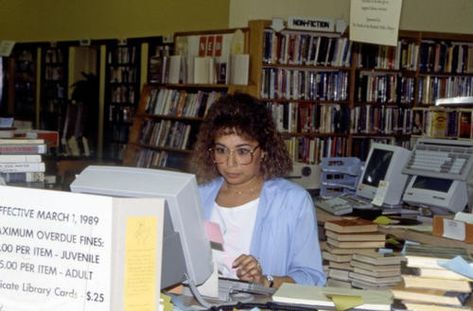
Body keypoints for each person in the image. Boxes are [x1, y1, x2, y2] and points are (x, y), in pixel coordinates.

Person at [191, 92, 326, 288]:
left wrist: (265, 281)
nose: (230, 163)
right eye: (221, 150)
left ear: (263, 151)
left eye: (243, 151)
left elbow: (312, 279)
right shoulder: (198, 195)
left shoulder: (293, 202)